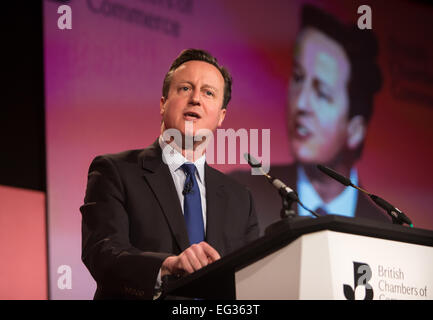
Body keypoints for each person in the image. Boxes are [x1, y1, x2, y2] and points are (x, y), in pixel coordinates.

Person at [80, 49, 259, 299]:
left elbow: (252, 280)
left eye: (208, 92)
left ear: (221, 116)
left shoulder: (241, 199)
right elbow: (102, 252)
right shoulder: (114, 172)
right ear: (163, 104)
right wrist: (165, 266)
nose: (196, 99)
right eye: (185, 88)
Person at [230, 5, 389, 233]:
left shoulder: (383, 230)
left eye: (322, 93)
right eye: (297, 78)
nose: (301, 104)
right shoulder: (244, 193)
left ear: (355, 129)